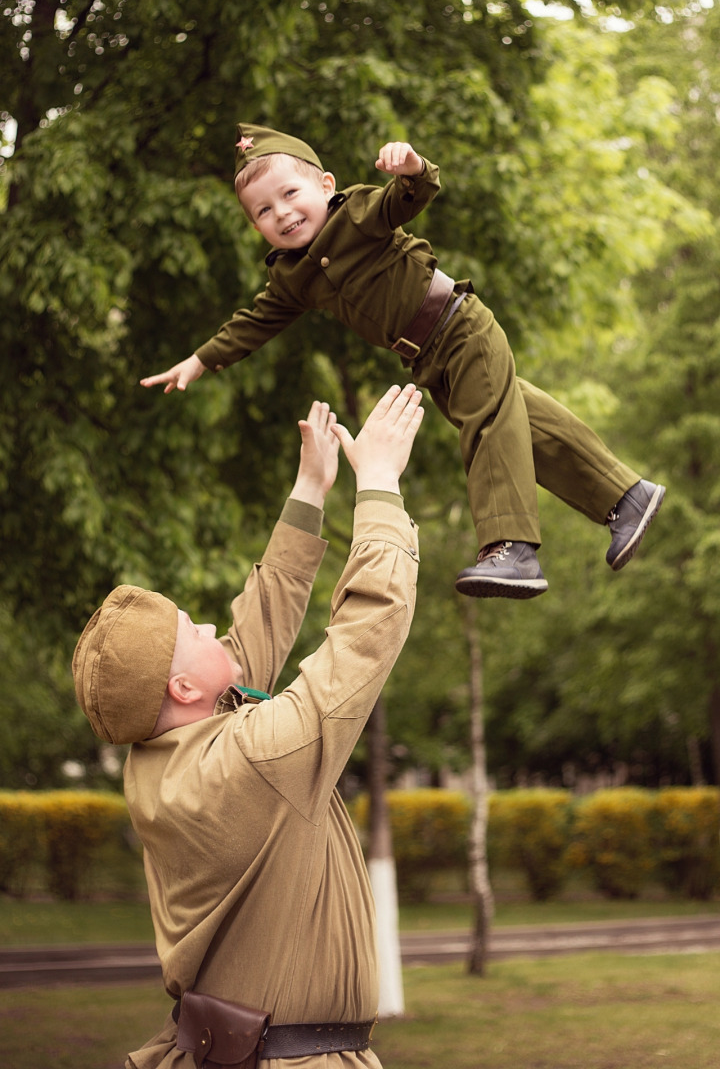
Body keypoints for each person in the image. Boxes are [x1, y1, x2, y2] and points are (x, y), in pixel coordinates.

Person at [141, 124, 665, 600]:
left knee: (487, 428)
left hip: (461, 326)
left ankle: (512, 548)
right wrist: (200, 360)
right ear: (255, 225)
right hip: (426, 360)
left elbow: (409, 198)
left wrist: (412, 167)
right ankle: (627, 494)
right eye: (263, 211)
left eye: (290, 194)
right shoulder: (291, 277)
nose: (281, 213)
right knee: (523, 424)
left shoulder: (357, 213)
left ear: (325, 185)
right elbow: (255, 321)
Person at [72, 383, 424, 1069]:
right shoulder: (251, 762)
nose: (209, 625)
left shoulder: (167, 754)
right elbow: (365, 634)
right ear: (181, 686)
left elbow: (250, 638)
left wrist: (310, 490)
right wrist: (379, 488)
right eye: (189, 628)